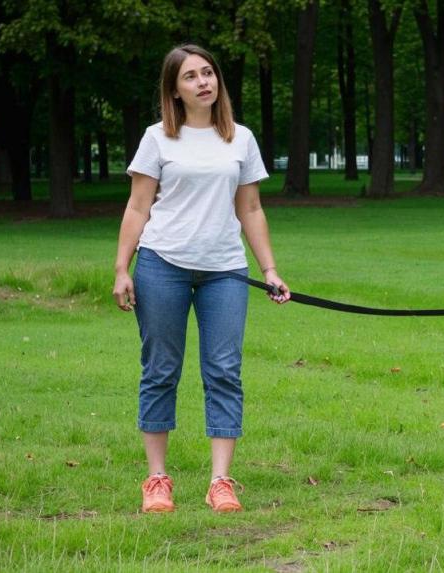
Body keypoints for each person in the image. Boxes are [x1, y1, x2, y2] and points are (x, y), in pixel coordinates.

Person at [112, 44, 290, 514]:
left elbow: (250, 208)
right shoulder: (157, 139)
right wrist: (121, 269)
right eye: (190, 76)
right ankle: (156, 480)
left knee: (224, 372)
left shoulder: (241, 139)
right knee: (161, 371)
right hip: (162, 265)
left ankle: (221, 482)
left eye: (208, 73)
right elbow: (137, 207)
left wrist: (269, 269)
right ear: (175, 89)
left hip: (225, 271)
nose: (203, 82)